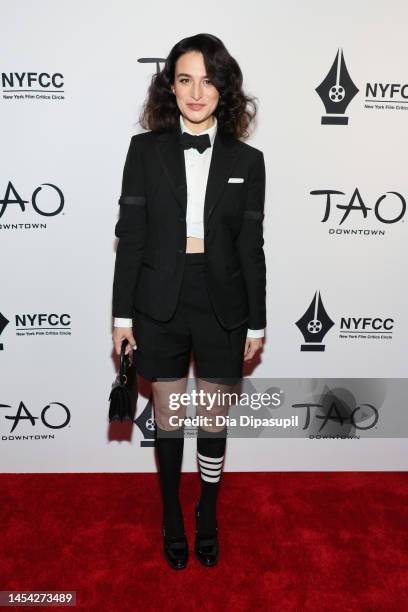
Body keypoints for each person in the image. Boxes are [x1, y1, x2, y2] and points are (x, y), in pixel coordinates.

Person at [111, 33, 266, 569]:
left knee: (213, 421)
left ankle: (208, 513)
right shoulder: (144, 150)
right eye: (184, 79)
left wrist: (258, 323)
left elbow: (252, 246)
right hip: (161, 298)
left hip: (225, 301)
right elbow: (130, 237)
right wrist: (121, 316)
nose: (196, 92)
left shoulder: (250, 159)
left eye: (207, 80)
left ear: (224, 88)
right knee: (172, 416)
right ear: (169, 86)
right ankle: (172, 517)